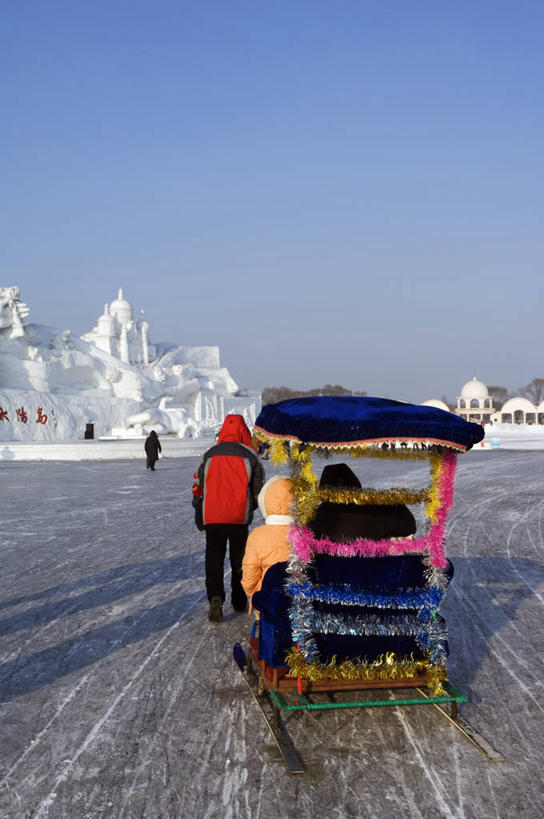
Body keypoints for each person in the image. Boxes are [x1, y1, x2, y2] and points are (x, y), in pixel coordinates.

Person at [192, 414, 265, 622]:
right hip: (238, 516)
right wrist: (250, 508)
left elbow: (198, 484)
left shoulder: (209, 454)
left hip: (212, 516)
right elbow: (258, 489)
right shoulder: (250, 456)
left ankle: (215, 597)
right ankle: (239, 599)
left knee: (214, 558)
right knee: (239, 559)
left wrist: (198, 508)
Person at [241, 476, 293, 614]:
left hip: (268, 599)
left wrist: (253, 593)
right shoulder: (305, 534)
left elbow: (250, 571)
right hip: (300, 601)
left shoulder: (257, 535)